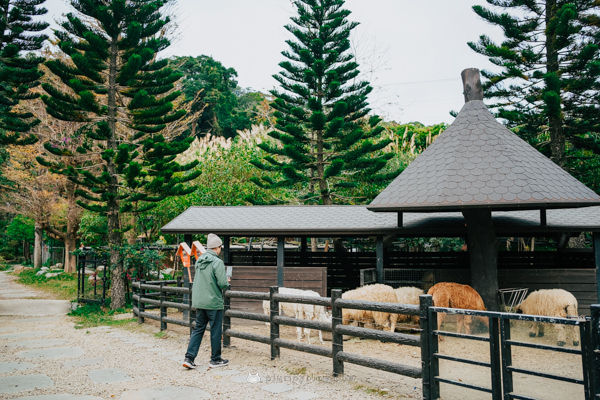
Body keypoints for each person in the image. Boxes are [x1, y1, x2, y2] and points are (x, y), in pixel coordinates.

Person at [183, 233, 230, 369]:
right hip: (213, 302)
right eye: (220, 247)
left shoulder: (199, 261)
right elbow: (222, 283)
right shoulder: (217, 262)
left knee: (198, 329)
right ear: (217, 247)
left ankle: (189, 358)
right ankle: (215, 359)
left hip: (199, 301)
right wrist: (227, 282)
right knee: (215, 330)